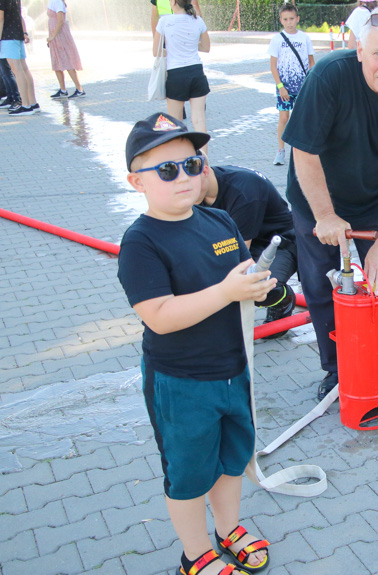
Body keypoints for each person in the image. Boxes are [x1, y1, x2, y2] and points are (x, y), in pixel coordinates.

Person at [119, 112, 273, 575]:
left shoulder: (220, 219)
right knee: (188, 473)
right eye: (167, 170)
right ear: (136, 182)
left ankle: (229, 529)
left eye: (192, 164)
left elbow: (242, 276)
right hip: (182, 381)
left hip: (234, 369)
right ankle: (195, 551)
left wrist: (258, 287)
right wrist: (226, 292)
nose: (184, 177)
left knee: (232, 460)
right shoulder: (141, 242)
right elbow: (160, 317)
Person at [283, 6, 378, 407]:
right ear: (360, 51)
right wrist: (325, 216)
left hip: (374, 202)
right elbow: (303, 151)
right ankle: (337, 371)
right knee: (320, 288)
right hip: (314, 198)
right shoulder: (330, 77)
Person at [196, 154, 299, 333]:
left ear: (205, 171)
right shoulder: (196, 190)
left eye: (191, 184)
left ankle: (283, 298)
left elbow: (238, 258)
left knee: (257, 286)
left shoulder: (244, 191)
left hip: (278, 242)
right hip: (237, 240)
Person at [154, 0, 210, 153]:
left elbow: (156, 52)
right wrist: (189, 44)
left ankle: (181, 158)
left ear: (173, 2)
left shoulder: (164, 21)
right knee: (199, 120)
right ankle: (205, 162)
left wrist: (173, 47)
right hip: (196, 72)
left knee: (175, 122)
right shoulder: (198, 20)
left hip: (176, 74)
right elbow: (206, 47)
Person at [268, 3, 315, 166]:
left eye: (292, 19)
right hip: (284, 87)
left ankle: (303, 151)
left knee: (303, 118)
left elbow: (311, 62)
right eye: (285, 19)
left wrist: (312, 82)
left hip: (303, 86)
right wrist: (280, 86)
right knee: (284, 117)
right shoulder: (277, 39)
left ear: (298, 19)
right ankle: (281, 151)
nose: (289, 22)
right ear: (281, 20)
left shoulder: (304, 38)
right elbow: (273, 65)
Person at [0, 0, 38, 115]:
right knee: (24, 69)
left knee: (17, 70)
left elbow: (0, 19)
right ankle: (33, 103)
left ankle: (26, 105)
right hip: (17, 35)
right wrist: (24, 32)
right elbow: (19, 16)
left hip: (8, 37)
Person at [46, 0, 85, 99]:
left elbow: (60, 21)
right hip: (54, 35)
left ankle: (79, 89)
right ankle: (63, 90)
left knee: (67, 60)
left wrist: (53, 36)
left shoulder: (58, 1)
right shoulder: (52, 1)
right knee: (57, 61)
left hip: (60, 35)